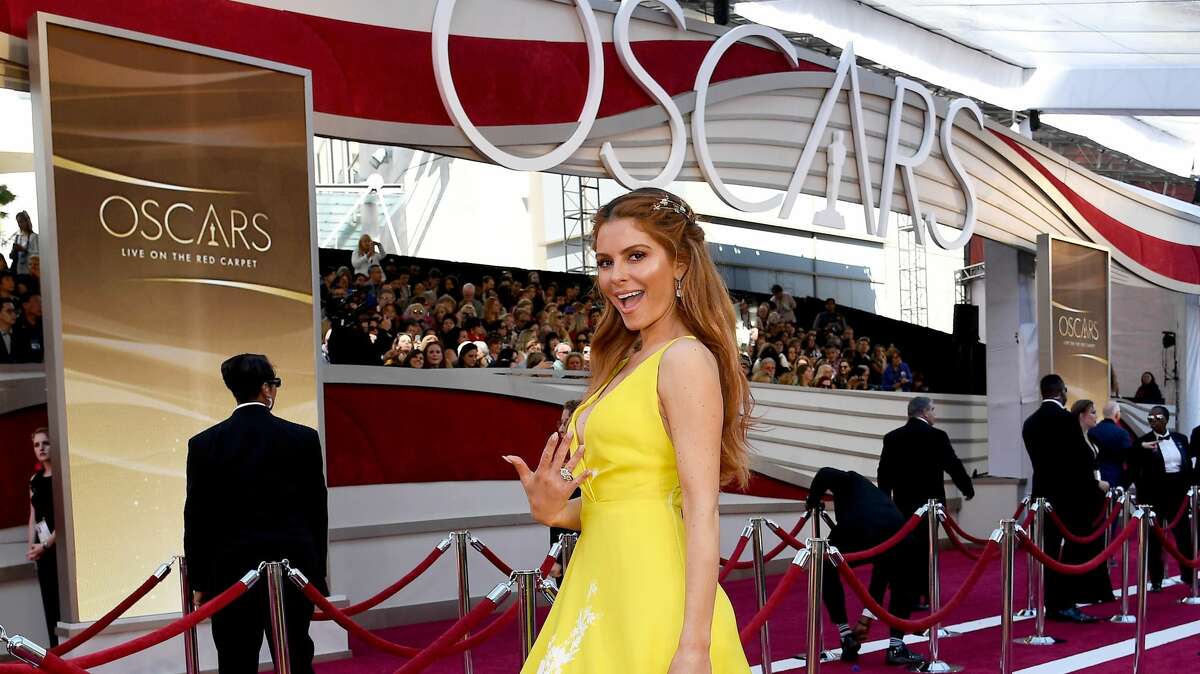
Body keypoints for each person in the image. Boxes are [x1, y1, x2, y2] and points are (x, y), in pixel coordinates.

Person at [504, 188, 752, 673]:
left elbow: (702, 507)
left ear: (679, 263)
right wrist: (557, 509)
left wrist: (695, 648)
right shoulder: (623, 359)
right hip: (598, 586)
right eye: (605, 261)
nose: (617, 276)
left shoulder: (683, 359)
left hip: (654, 596)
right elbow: (618, 502)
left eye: (636, 256)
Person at [184, 354, 328, 674]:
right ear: (266, 389)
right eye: (274, 385)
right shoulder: (303, 439)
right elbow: (316, 513)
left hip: (229, 578)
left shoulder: (204, 444)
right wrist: (317, 577)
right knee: (296, 662)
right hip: (293, 575)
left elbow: (197, 519)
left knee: (235, 663)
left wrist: (199, 581)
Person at [806, 467, 927, 667]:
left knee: (826, 565)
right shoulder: (874, 496)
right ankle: (896, 647)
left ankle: (846, 636)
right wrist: (866, 618)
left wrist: (812, 501)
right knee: (899, 581)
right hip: (895, 530)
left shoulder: (851, 478)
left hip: (855, 528)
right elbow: (881, 573)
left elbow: (825, 473)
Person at [1022, 374, 1106, 623]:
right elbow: (1080, 461)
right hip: (1069, 498)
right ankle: (1064, 604)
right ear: (1062, 392)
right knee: (1069, 555)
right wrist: (1093, 486)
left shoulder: (1030, 423)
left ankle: (1052, 603)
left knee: (1048, 552)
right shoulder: (1066, 421)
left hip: (1042, 495)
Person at [1133, 405, 1194, 591]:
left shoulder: (1181, 439)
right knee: (1154, 539)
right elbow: (1132, 460)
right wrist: (1141, 448)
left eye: (1157, 417)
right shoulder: (1143, 442)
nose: (1153, 420)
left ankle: (1189, 575)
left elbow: (1188, 466)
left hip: (1178, 494)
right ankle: (1157, 579)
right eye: (1150, 418)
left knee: (1184, 537)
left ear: (1166, 419)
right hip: (1155, 494)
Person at [1068, 399, 1115, 604]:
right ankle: (1079, 590)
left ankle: (1095, 590)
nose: (1096, 416)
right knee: (1080, 544)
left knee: (1094, 543)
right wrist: (1096, 484)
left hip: (1094, 498)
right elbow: (1076, 473)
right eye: (1093, 412)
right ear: (1082, 416)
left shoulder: (1090, 438)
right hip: (1081, 498)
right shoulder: (1074, 440)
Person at [27, 427, 59, 647]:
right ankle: (55, 653)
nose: (41, 448)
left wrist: (46, 545)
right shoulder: (34, 479)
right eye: (37, 444)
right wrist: (32, 546)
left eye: (45, 443)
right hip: (42, 551)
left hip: (58, 549)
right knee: (48, 604)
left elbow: (64, 517)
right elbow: (32, 514)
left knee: (60, 604)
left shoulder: (60, 475)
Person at [1089, 400, 1132, 489]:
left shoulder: (1091, 431)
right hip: (1116, 476)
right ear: (1117, 414)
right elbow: (1129, 456)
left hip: (1094, 476)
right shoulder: (1122, 433)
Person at [11, 211, 38, 276]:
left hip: (30, 272)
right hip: (18, 271)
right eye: (18, 222)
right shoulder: (17, 237)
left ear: (27, 221)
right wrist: (14, 251)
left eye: (21, 222)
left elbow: (37, 254)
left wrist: (24, 250)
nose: (20, 224)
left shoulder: (34, 236)